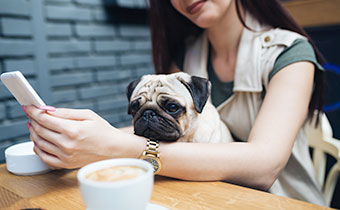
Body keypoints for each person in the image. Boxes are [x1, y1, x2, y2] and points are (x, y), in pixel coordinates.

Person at [24, 0, 327, 206]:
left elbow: (265, 165)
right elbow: (159, 128)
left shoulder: (289, 54)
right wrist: (77, 135)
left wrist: (117, 146)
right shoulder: (186, 57)